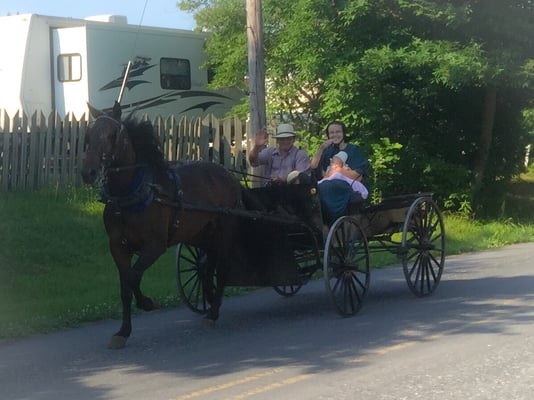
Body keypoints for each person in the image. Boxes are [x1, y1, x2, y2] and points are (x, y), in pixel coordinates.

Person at [311, 121, 370, 223]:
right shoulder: (327, 151)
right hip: (328, 184)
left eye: (338, 132)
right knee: (314, 190)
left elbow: (357, 176)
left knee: (329, 186)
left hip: (347, 185)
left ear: (344, 133)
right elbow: (313, 167)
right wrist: (321, 149)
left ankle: (334, 218)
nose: (335, 135)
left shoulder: (353, 150)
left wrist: (337, 171)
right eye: (332, 133)